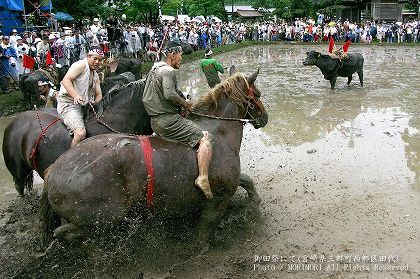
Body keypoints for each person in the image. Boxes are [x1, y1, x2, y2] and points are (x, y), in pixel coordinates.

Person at [142, 43, 214, 199]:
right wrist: (186, 104)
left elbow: (170, 93)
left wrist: (181, 97)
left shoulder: (154, 69)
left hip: (155, 120)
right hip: (168, 121)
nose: (181, 58)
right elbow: (169, 95)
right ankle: (202, 178)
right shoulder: (168, 71)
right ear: (172, 54)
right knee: (205, 137)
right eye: (180, 55)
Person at [57, 48, 103, 147]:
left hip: (85, 105)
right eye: (95, 59)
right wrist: (76, 95)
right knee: (80, 133)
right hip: (69, 103)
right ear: (88, 56)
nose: (97, 62)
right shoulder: (81, 65)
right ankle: (71, 158)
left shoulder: (95, 75)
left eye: (99, 60)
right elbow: (66, 80)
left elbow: (99, 94)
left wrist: (95, 103)